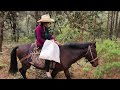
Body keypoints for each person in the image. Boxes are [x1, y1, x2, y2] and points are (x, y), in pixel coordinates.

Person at [35, 14, 60, 79]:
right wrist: (48, 42)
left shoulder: (45, 28)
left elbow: (49, 36)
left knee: (56, 46)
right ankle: (47, 71)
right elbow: (39, 38)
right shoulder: (38, 28)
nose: (48, 24)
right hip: (40, 43)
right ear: (44, 22)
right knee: (48, 53)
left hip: (46, 41)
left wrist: (55, 40)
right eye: (47, 22)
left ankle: (54, 63)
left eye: (48, 22)